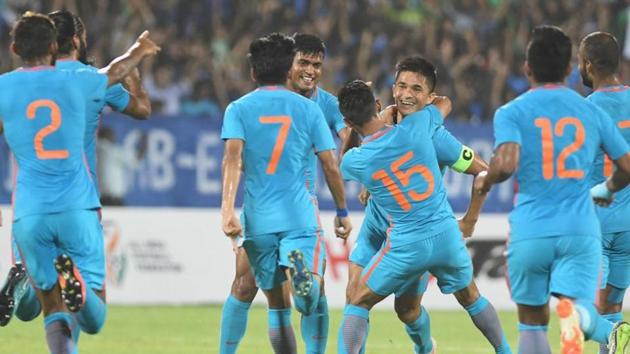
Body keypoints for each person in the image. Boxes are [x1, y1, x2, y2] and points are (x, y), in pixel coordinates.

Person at [0, 11, 159, 353]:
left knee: (46, 306)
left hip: (29, 211)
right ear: (56, 45)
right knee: (92, 317)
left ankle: (23, 281)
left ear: (14, 47)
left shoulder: (4, 86)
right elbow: (116, 72)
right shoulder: (82, 80)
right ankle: (79, 287)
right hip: (78, 204)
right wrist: (139, 50)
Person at [476, 25, 630, 354]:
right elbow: (627, 167)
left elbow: (503, 165)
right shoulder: (588, 110)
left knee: (532, 320)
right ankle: (599, 326)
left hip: (538, 224)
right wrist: (606, 190)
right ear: (568, 69)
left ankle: (595, 325)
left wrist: (485, 180)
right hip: (587, 225)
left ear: (527, 68)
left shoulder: (512, 112)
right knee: (594, 307)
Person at [343, 56, 511, 354]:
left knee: (406, 310)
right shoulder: (387, 123)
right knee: (353, 297)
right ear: (392, 89)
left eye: (417, 89)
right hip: (375, 230)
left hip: (408, 236)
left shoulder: (436, 136)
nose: (407, 94)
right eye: (402, 86)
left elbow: (482, 172)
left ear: (429, 97)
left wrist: (470, 219)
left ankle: (425, 348)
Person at [220, 33, 351, 354]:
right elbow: (332, 162)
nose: (310, 71)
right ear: (287, 65)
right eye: (303, 62)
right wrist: (342, 206)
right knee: (247, 284)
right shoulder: (302, 108)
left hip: (267, 209)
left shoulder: (325, 103)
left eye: (317, 65)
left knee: (284, 297)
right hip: (298, 210)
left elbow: (348, 137)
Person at [578, 31, 630, 354]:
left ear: (587, 65)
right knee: (612, 308)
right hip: (629, 226)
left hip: (596, 222)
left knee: (584, 312)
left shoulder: (586, 110)